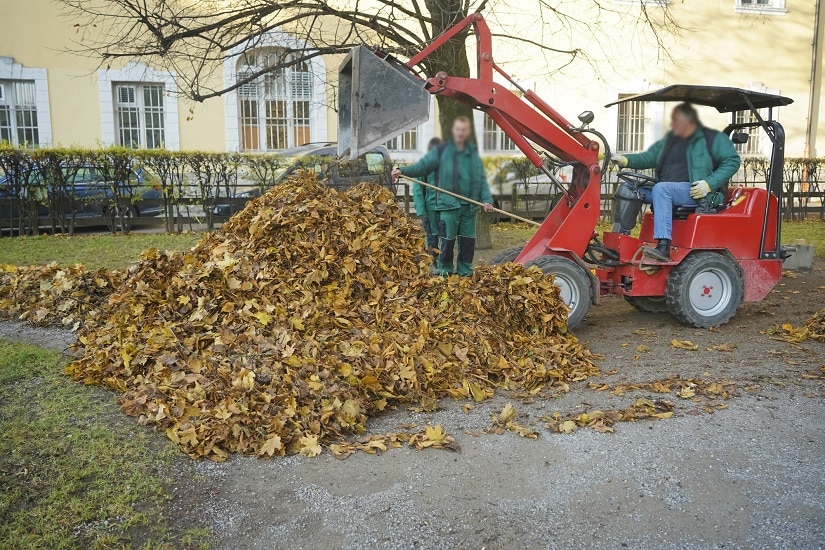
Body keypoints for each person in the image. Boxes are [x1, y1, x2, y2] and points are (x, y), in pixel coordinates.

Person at [612, 103, 741, 261]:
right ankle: (617, 242)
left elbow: (732, 161)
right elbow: (647, 157)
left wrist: (708, 184)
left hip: (695, 192)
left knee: (662, 189)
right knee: (628, 188)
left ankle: (663, 246)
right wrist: (625, 159)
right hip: (666, 192)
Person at [392, 116, 494, 276]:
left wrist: (487, 200)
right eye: (458, 129)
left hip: (470, 207)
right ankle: (445, 271)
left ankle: (465, 271)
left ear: (468, 132)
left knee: (468, 241)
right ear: (454, 131)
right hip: (449, 205)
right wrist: (402, 171)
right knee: (447, 241)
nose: (460, 133)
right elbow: (422, 167)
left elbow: (481, 180)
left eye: (464, 130)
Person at [412, 137, 443, 263]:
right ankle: (433, 262)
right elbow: (417, 189)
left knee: (447, 239)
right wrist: (421, 210)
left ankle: (445, 263)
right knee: (432, 237)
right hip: (430, 209)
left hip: (446, 208)